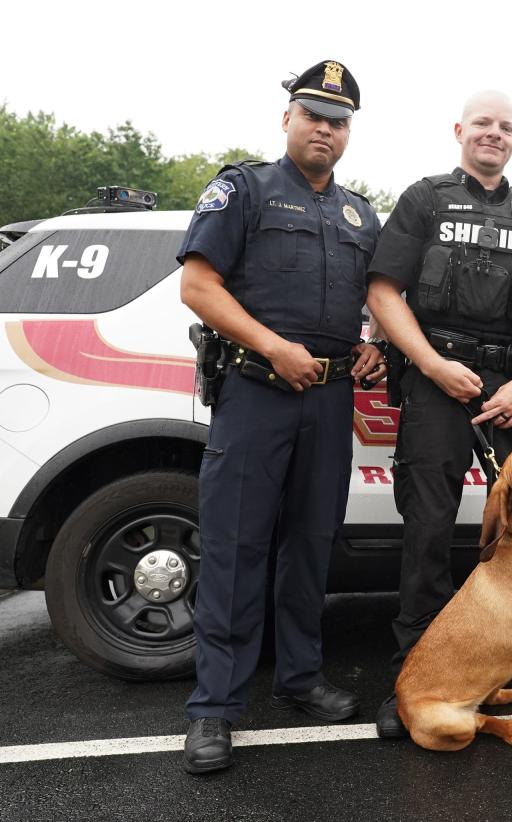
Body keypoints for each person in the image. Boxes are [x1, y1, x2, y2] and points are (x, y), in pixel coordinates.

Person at [177, 60, 383, 774]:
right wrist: (273, 345)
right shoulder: (243, 190)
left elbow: (376, 301)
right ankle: (214, 710)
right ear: (287, 119)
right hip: (257, 392)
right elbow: (197, 287)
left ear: (349, 131)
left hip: (329, 400)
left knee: (310, 544)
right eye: (313, 115)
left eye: (338, 120)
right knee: (237, 548)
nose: (325, 129)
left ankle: (300, 678)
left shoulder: (361, 213)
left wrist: (371, 349)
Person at [366, 90, 512, 738]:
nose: (494, 134)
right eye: (484, 124)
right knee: (428, 530)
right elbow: (382, 291)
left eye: (506, 127)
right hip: (439, 379)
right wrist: (431, 365)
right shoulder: (425, 200)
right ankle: (416, 675)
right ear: (460, 130)